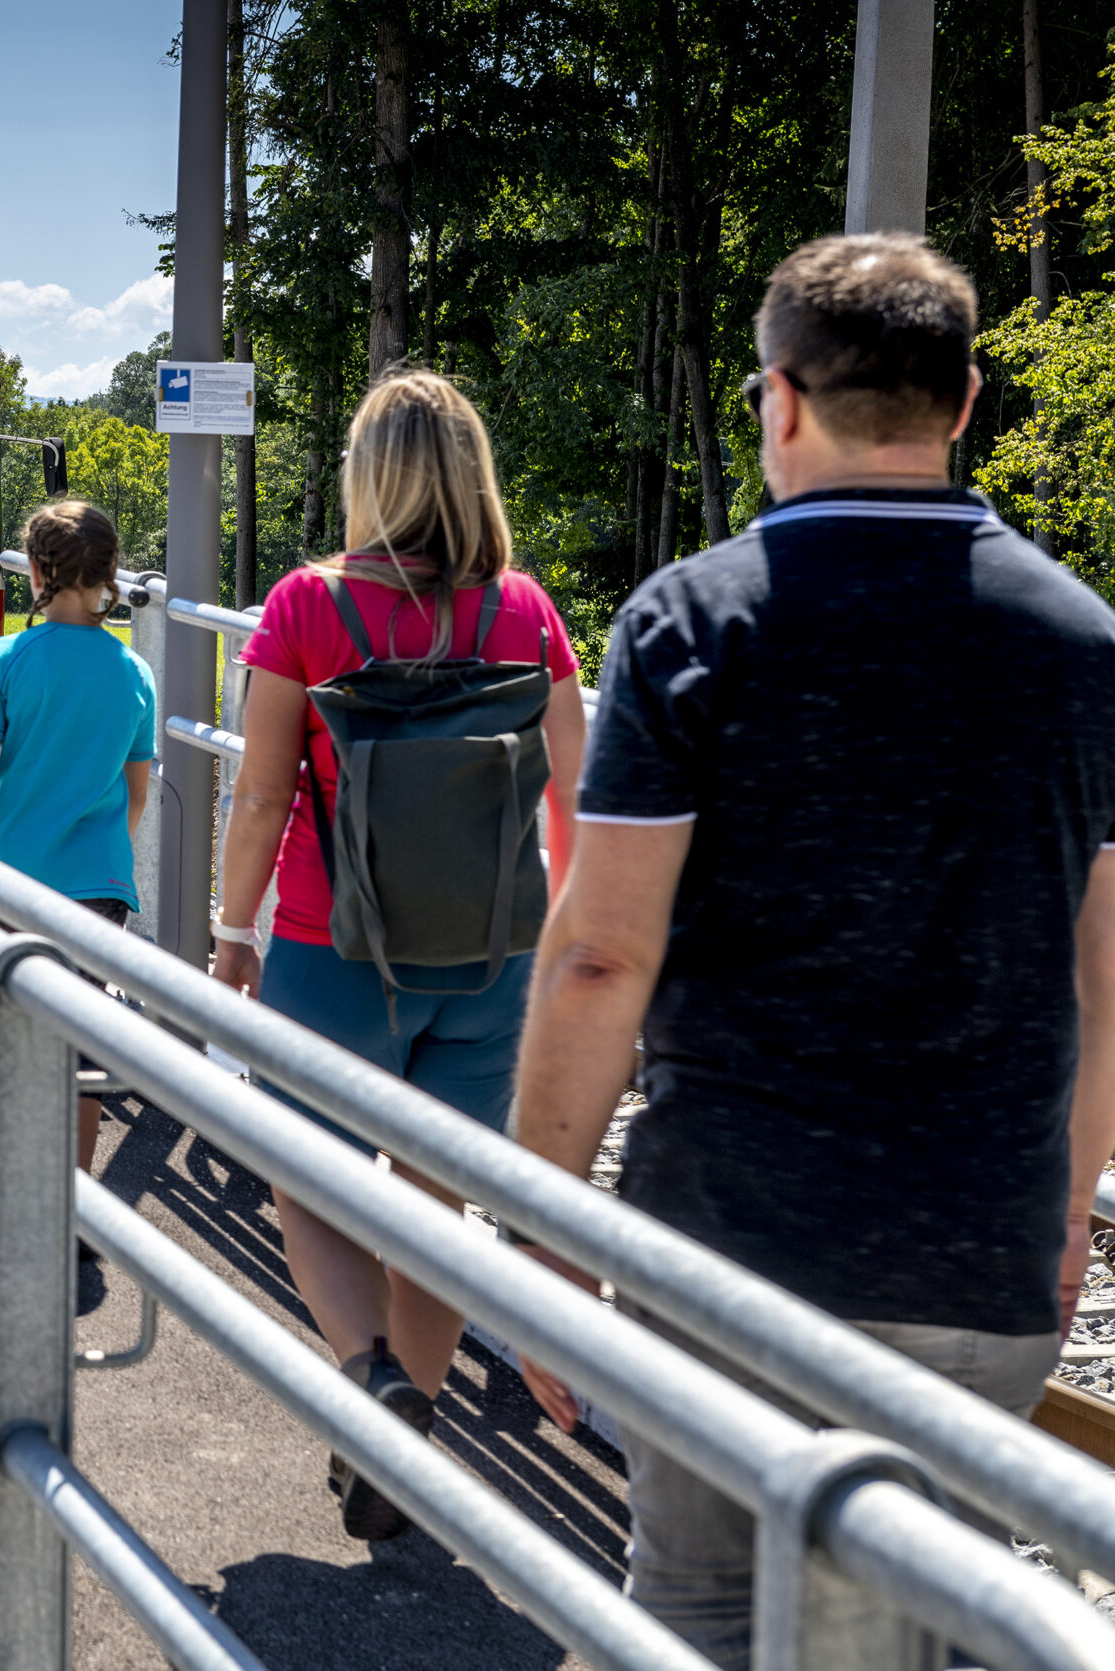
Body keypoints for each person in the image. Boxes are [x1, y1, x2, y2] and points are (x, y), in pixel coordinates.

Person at [508, 233, 1115, 1664]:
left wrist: (540, 1228)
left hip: (736, 1248)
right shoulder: (1083, 640)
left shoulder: (695, 619)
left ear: (778, 401)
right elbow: (1107, 977)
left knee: (711, 1620)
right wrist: (1070, 1204)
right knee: (939, 1621)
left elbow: (601, 954)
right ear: (966, 401)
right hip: (983, 1250)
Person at [211, 368, 586, 1541]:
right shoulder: (523, 611)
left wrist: (231, 931)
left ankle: (370, 1380)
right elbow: (578, 796)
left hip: (333, 952)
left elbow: (263, 793)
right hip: (490, 961)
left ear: (366, 477)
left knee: (305, 1179)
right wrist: (561, 946)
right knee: (432, 1211)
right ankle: (399, 1442)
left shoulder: (306, 605)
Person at [0, 500, 156, 1184]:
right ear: (109, 572)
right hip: (98, 886)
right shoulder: (132, 672)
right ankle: (77, 1191)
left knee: (4, 1021)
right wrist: (106, 849)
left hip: (13, 876)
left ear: (35, 570)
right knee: (80, 1040)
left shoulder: (6, 657)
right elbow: (139, 788)